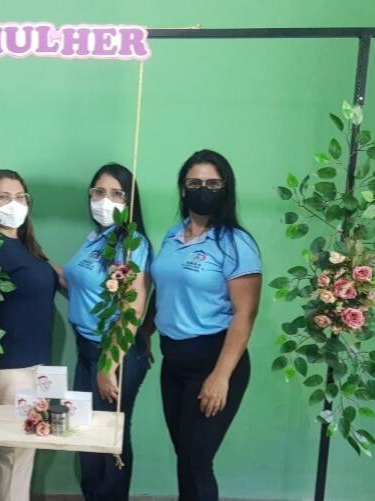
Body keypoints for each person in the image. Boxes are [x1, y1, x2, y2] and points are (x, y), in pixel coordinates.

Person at [147, 149, 261, 501]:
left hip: (213, 361)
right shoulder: (173, 236)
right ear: (183, 189)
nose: (203, 190)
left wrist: (220, 376)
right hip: (173, 363)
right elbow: (164, 290)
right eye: (194, 183)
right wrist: (142, 334)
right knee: (185, 458)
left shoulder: (235, 243)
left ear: (226, 188)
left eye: (212, 183)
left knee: (197, 464)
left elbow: (245, 314)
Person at [0, 169, 58, 501]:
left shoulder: (27, 245)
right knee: (14, 451)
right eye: (3, 197)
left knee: (19, 450)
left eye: (20, 197)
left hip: (37, 365)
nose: (13, 204)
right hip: (8, 366)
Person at [61, 162, 152, 501]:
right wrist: (37, 264)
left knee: (109, 439)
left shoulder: (132, 244)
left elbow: (133, 311)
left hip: (115, 353)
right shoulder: (95, 238)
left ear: (130, 201)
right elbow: (78, 284)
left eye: (116, 194)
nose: (105, 200)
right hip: (87, 349)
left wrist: (108, 365)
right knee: (85, 434)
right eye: (98, 192)